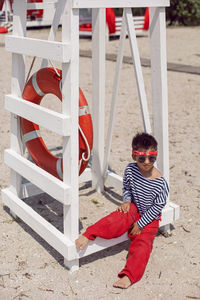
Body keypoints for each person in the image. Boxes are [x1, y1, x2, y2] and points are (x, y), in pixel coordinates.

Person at [76, 132, 169, 289]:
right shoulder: (131, 170)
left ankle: (130, 275)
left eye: (151, 158)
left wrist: (140, 223)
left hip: (150, 217)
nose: (147, 162)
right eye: (142, 158)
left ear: (156, 156)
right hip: (133, 207)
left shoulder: (161, 183)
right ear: (134, 156)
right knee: (117, 218)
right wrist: (126, 200)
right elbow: (127, 187)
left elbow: (157, 207)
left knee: (142, 245)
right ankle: (89, 234)